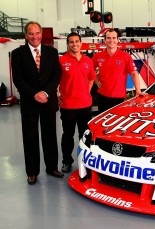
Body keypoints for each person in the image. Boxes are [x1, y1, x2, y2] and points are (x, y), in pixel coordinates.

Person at [11, 21, 63, 185]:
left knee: (50, 136)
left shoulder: (52, 52)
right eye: (31, 34)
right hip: (29, 102)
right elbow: (18, 79)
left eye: (37, 33)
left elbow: (57, 75)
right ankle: (32, 172)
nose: (34, 36)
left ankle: (52, 167)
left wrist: (46, 92)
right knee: (30, 137)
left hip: (48, 101)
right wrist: (34, 94)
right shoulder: (18, 54)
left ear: (41, 34)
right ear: (26, 36)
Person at [58, 32, 96, 173]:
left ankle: (85, 161)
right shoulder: (61, 61)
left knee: (84, 136)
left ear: (81, 43)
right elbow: (54, 79)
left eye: (77, 41)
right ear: (67, 44)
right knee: (67, 135)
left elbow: (92, 78)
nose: (74, 44)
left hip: (85, 105)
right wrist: (57, 94)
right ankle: (67, 161)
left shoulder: (88, 60)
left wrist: (87, 90)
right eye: (71, 42)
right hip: (67, 106)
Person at [92, 29, 144, 113]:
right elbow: (90, 70)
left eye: (114, 38)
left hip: (119, 97)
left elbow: (134, 73)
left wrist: (138, 90)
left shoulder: (125, 56)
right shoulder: (97, 56)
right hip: (102, 95)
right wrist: (96, 79)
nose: (111, 40)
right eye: (108, 38)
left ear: (117, 40)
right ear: (105, 40)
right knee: (103, 122)